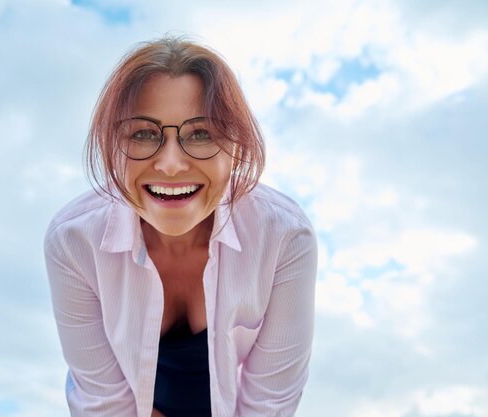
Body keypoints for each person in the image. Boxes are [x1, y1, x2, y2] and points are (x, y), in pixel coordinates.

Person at [44, 36, 317, 417]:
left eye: (201, 134)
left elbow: (269, 403)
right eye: (143, 134)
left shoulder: (284, 236)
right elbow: (103, 403)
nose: (171, 164)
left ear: (236, 148)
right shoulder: (74, 241)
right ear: (112, 145)